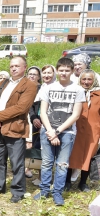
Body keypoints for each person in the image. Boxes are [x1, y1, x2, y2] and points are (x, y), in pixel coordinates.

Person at [0, 57, 38, 203]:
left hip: (15, 128)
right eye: (11, 66)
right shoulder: (4, 82)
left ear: (25, 67)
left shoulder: (30, 85)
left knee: (16, 163)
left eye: (17, 66)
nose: (13, 68)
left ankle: (18, 191)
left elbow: (21, 108)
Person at [35, 58, 85, 206]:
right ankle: (44, 191)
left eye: (67, 70)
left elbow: (75, 115)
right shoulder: (47, 88)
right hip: (47, 131)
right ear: (57, 70)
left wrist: (57, 131)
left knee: (62, 164)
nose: (63, 73)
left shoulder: (78, 89)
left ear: (71, 71)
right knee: (46, 163)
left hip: (67, 133)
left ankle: (57, 193)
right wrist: (50, 131)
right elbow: (42, 112)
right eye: (61, 70)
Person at [66, 69, 100, 192]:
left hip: (92, 131)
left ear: (94, 80)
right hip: (76, 129)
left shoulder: (99, 94)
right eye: (83, 79)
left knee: (88, 156)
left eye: (89, 79)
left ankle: (83, 183)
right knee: (71, 154)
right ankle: (67, 181)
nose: (86, 82)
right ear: (80, 80)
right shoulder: (75, 92)